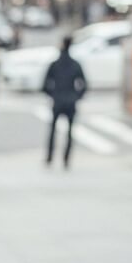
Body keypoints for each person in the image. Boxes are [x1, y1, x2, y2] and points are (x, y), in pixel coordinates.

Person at [42, 35, 86, 168]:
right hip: (70, 100)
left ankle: (50, 156)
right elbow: (83, 84)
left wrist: (53, 95)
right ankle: (66, 158)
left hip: (58, 100)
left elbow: (45, 85)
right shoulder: (75, 64)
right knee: (70, 131)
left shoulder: (55, 64)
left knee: (53, 130)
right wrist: (77, 96)